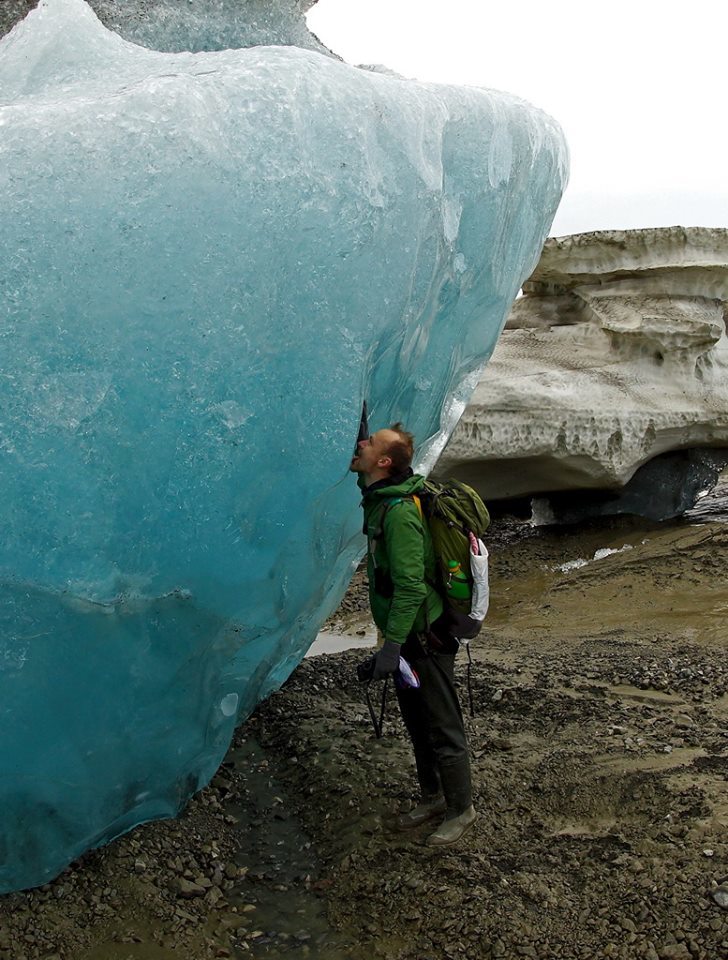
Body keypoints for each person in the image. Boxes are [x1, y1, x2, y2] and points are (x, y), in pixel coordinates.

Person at [350, 423, 476, 846]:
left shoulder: (401, 512)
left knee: (442, 725)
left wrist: (392, 646)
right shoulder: (380, 497)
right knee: (417, 722)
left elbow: (410, 587)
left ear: (384, 463)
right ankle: (433, 796)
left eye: (369, 444)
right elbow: (365, 475)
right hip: (408, 636)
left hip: (426, 637)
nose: (361, 445)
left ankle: (462, 809)